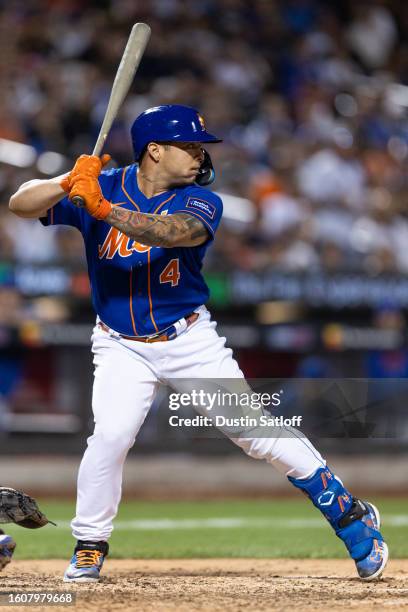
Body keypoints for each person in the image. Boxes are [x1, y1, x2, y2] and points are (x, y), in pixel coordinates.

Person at [9, 104, 388, 583]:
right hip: (119, 344)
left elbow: (174, 232)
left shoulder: (201, 201)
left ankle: (348, 513)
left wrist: (103, 210)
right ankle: (89, 545)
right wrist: (67, 181)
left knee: (256, 434)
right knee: (109, 436)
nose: (199, 155)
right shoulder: (99, 184)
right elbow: (20, 203)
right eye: (189, 146)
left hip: (187, 339)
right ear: (155, 151)